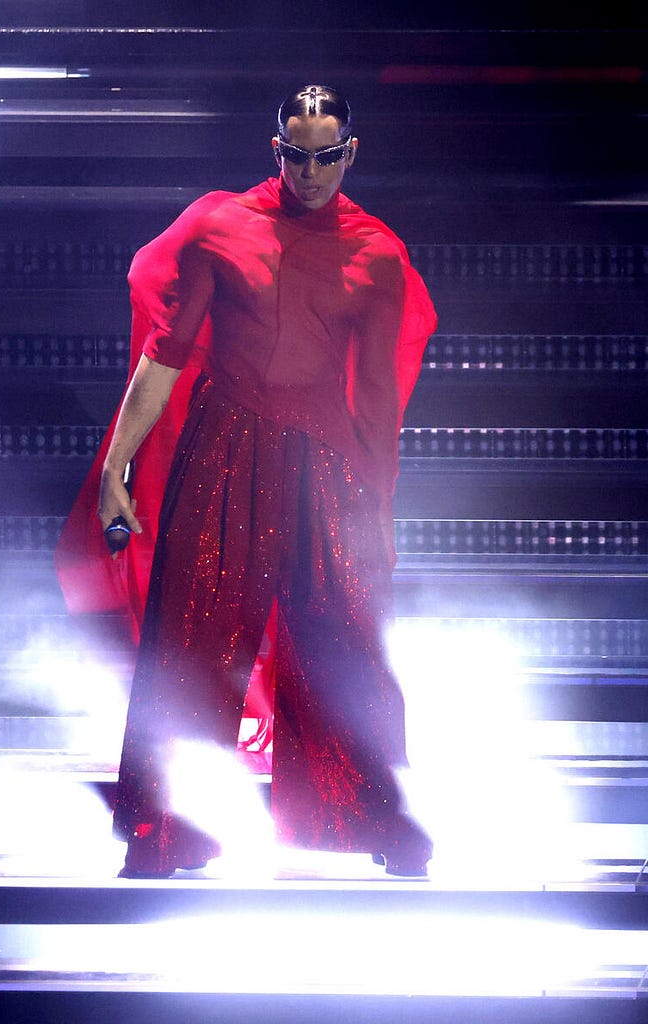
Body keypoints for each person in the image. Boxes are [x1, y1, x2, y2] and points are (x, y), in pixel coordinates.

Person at [56, 85, 438, 878]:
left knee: (342, 636)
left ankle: (367, 811)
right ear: (277, 151)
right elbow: (164, 353)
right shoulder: (221, 226)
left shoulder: (377, 254)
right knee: (189, 631)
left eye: (326, 156)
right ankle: (162, 827)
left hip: (324, 460)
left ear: (350, 152)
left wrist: (380, 509)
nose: (311, 171)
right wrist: (116, 466)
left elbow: (375, 401)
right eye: (297, 155)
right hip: (224, 442)